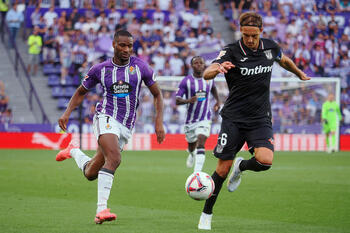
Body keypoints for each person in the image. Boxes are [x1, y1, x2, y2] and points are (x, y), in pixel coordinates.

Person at [197, 12, 310, 230]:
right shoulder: (231, 51)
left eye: (254, 36)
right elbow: (207, 72)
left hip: (260, 118)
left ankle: (241, 166)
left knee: (265, 161)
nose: (249, 40)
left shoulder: (270, 47)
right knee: (222, 170)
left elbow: (283, 60)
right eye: (246, 35)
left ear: (261, 32)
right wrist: (217, 69)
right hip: (234, 119)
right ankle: (206, 214)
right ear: (241, 31)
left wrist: (298, 73)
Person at [55, 30, 165, 224]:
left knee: (91, 173)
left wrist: (158, 121)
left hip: (126, 125)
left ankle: (73, 151)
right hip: (105, 117)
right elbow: (81, 92)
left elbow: (157, 94)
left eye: (130, 46)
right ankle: (101, 210)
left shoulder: (141, 67)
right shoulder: (100, 69)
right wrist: (67, 113)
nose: (127, 49)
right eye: (123, 45)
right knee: (114, 158)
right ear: (114, 44)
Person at [175, 56, 220, 172]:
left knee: (201, 141)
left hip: (205, 118)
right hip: (190, 120)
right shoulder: (186, 81)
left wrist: (218, 101)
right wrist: (188, 100)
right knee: (191, 146)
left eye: (201, 63)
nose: (199, 65)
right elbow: (177, 100)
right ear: (192, 66)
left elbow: (213, 88)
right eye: (196, 63)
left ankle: (197, 173)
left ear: (204, 65)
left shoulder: (209, 78)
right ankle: (191, 153)